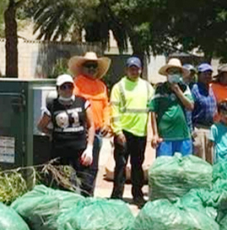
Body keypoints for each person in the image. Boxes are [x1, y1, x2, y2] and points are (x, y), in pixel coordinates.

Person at [38, 74, 95, 195]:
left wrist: (90, 147)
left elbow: (91, 125)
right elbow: (40, 126)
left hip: (80, 150)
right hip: (60, 151)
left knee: (85, 183)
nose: (67, 89)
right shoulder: (52, 105)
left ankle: (87, 208)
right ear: (58, 89)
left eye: (70, 86)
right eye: (63, 87)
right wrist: (51, 133)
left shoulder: (82, 102)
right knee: (63, 184)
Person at [110, 57, 153, 206]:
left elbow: (152, 109)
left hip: (140, 133)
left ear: (141, 69)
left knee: (137, 166)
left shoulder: (147, 87)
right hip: (124, 132)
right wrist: (117, 132)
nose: (134, 71)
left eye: (136, 68)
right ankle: (116, 196)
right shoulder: (119, 87)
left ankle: (138, 195)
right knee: (121, 166)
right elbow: (114, 110)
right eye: (131, 68)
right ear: (126, 69)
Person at [69, 51, 112, 196]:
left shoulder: (101, 86)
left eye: (94, 66)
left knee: (93, 168)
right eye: (88, 66)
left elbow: (106, 106)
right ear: (82, 68)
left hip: (98, 133)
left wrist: (107, 123)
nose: (92, 69)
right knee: (79, 167)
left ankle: (89, 197)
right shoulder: (76, 84)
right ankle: (78, 197)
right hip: (81, 133)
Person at [149, 58, 195, 157]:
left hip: (182, 136)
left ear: (180, 74)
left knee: (182, 168)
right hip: (165, 137)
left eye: (176, 72)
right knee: (165, 169)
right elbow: (152, 111)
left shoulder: (184, 88)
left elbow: (190, 106)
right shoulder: (159, 88)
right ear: (167, 74)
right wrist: (155, 134)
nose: (174, 74)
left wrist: (178, 92)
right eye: (171, 71)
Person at [191, 63, 217, 163]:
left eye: (209, 74)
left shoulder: (210, 89)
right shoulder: (194, 89)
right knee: (199, 160)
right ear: (199, 75)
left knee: (210, 159)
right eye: (205, 74)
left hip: (210, 129)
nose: (208, 76)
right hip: (198, 129)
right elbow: (189, 111)